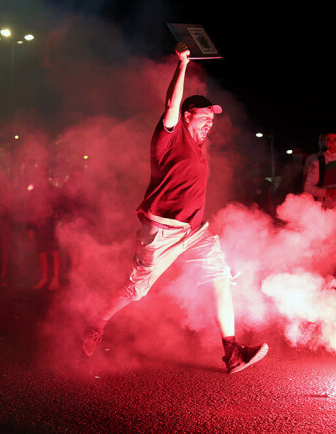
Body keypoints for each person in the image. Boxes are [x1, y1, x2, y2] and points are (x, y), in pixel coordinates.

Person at [81, 42, 268, 374]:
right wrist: (182, 64)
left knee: (220, 277)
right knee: (134, 291)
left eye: (212, 119)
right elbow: (171, 103)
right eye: (203, 117)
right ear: (186, 117)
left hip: (194, 232)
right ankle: (96, 322)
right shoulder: (169, 137)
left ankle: (232, 352)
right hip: (161, 232)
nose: (209, 123)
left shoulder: (199, 146)